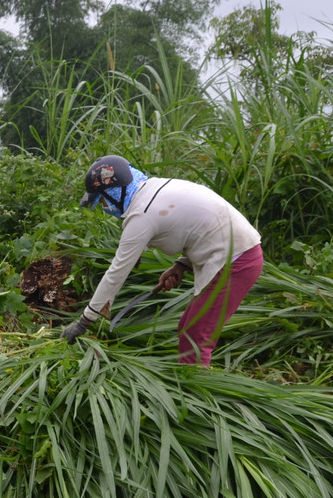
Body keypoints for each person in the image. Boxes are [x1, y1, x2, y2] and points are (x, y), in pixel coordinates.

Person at [61, 155, 265, 366]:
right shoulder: (154, 188)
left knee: (195, 338)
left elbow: (116, 273)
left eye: (102, 200)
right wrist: (181, 265)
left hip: (236, 261)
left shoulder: (142, 216)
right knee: (188, 328)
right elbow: (199, 226)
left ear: (116, 191)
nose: (104, 207)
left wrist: (84, 322)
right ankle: (190, 383)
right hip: (238, 252)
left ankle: (195, 393)